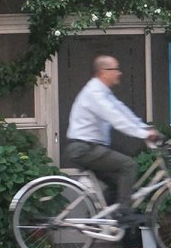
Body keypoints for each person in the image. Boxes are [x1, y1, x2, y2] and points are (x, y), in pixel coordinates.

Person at [64, 54, 161, 221]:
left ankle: (97, 219)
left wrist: (145, 128)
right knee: (128, 165)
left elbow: (122, 111)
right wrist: (145, 134)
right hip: (84, 148)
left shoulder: (104, 93)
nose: (119, 73)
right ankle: (123, 213)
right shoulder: (95, 93)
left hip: (90, 148)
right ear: (104, 72)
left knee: (119, 183)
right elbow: (116, 118)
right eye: (115, 69)